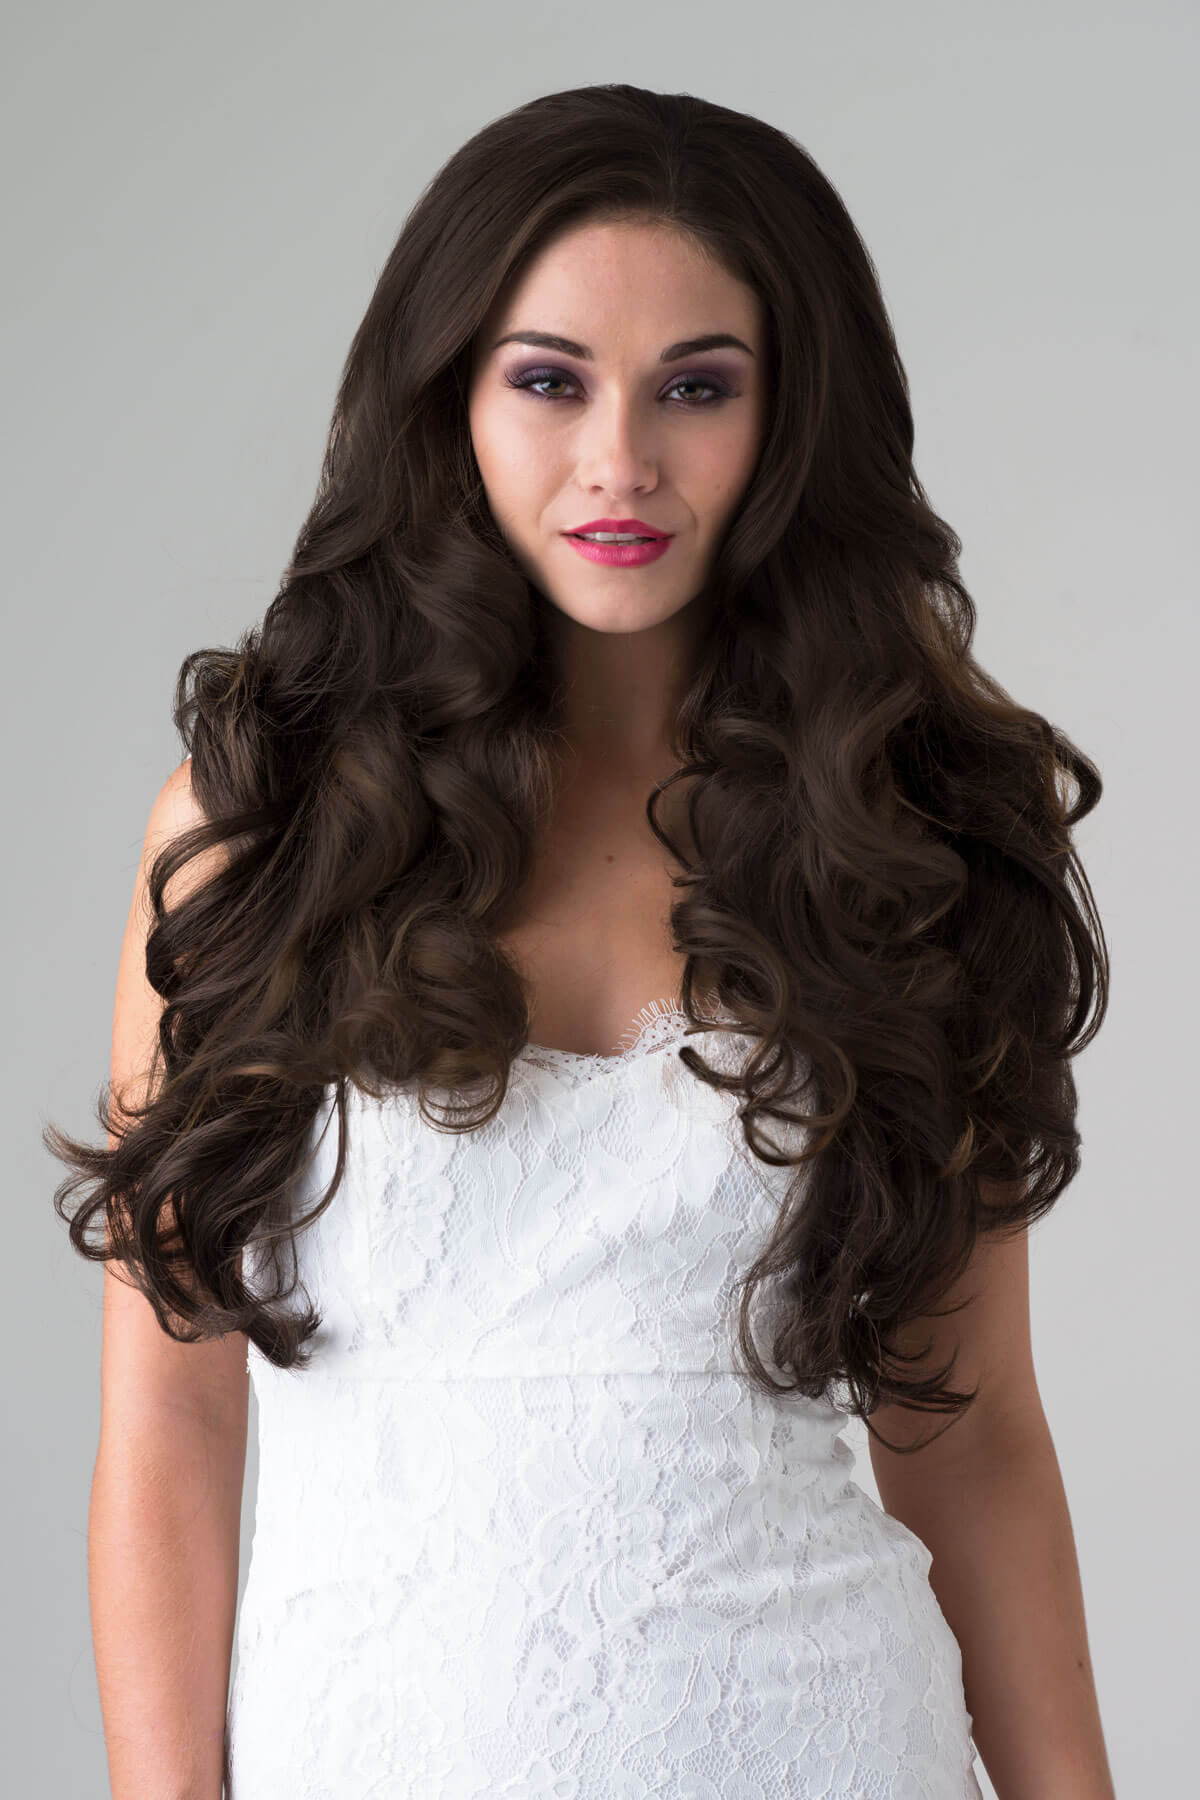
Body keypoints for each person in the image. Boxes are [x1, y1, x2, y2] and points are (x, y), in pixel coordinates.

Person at [48, 83, 1118, 1799]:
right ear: (450, 400)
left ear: (788, 418)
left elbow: (971, 1428)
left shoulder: (900, 844)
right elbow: (173, 1418)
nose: (619, 460)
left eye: (697, 387)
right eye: (549, 381)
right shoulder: (263, 833)